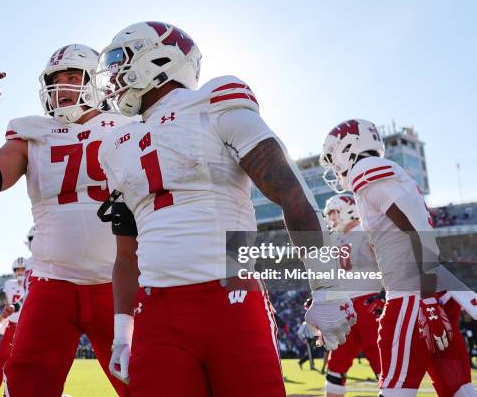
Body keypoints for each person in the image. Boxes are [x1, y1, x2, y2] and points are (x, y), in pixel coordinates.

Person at [95, 21, 356, 396]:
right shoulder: (116, 143)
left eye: (122, 59)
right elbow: (126, 253)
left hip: (230, 300)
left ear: (160, 57)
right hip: (156, 310)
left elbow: (290, 191)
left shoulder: (215, 103)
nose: (114, 75)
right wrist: (123, 332)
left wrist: (327, 285)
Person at [0, 44, 133, 396]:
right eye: (56, 79)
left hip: (120, 282)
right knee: (28, 384)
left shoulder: (130, 126)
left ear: (98, 82)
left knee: (148, 383)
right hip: (53, 283)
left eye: (73, 77)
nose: (62, 87)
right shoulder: (33, 134)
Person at [320, 118, 476, 396]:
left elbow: (417, 229)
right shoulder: (387, 174)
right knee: (458, 389)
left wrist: (427, 299)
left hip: (412, 293)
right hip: (424, 288)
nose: (335, 166)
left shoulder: (367, 170)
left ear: (349, 147)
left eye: (334, 158)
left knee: (394, 389)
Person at [322, 194, 382, 396]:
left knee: (381, 361)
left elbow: (388, 263)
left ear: (350, 210)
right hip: (344, 307)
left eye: (334, 212)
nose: (332, 218)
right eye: (329, 214)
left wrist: (385, 292)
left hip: (370, 301)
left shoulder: (367, 232)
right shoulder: (334, 240)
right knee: (336, 364)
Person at [0, 257, 26, 397]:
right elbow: (8, 308)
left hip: (27, 328)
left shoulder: (31, 282)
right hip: (11, 327)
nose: (21, 272)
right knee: (1, 363)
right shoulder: (10, 284)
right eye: (18, 269)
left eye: (23, 269)